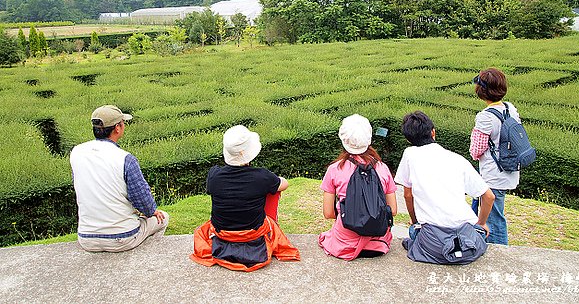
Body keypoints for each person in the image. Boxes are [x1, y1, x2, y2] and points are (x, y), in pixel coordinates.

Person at [190, 125, 300, 271]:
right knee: (273, 193)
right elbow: (284, 184)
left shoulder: (214, 175)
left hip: (222, 233)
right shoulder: (261, 176)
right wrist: (273, 180)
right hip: (252, 234)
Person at [396, 111, 495, 265]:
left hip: (432, 242)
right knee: (480, 232)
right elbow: (489, 196)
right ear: (433, 132)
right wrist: (481, 223)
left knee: (412, 232)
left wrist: (415, 222)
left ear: (408, 139)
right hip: (466, 238)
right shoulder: (457, 159)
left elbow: (408, 195)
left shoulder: (409, 154)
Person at [70, 105, 169, 252]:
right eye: (123, 123)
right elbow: (142, 200)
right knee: (163, 217)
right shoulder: (125, 159)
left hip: (86, 238)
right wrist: (152, 211)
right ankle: (151, 254)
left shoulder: (76, 152)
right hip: (122, 237)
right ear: (117, 128)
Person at [319, 114, 398, 260]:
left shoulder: (335, 169)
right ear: (369, 139)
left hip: (345, 244)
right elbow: (392, 210)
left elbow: (328, 213)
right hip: (378, 243)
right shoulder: (382, 168)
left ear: (343, 140)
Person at [470, 68, 521, 245]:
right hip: (509, 166)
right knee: (481, 209)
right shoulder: (510, 108)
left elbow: (476, 149)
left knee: (494, 218)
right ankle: (476, 239)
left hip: (493, 173)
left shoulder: (485, 117)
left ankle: (499, 251)